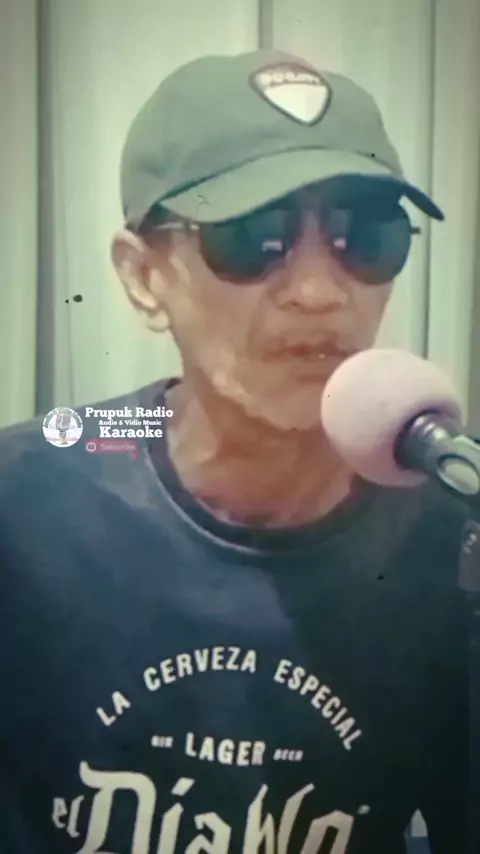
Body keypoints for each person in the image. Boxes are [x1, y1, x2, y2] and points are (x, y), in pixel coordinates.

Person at [0, 49, 470, 854]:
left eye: (366, 236)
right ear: (144, 276)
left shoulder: (454, 538)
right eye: (256, 237)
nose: (319, 291)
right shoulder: (24, 497)